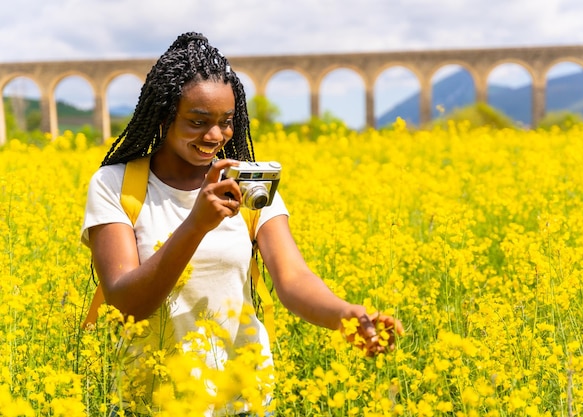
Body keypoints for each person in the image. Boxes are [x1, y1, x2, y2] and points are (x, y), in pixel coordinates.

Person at [81, 32, 404, 416]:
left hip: (244, 399)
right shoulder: (115, 185)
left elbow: (294, 280)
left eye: (227, 122)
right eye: (198, 121)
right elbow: (126, 304)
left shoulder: (250, 186)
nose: (215, 136)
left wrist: (348, 316)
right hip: (154, 401)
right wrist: (196, 225)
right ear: (164, 116)